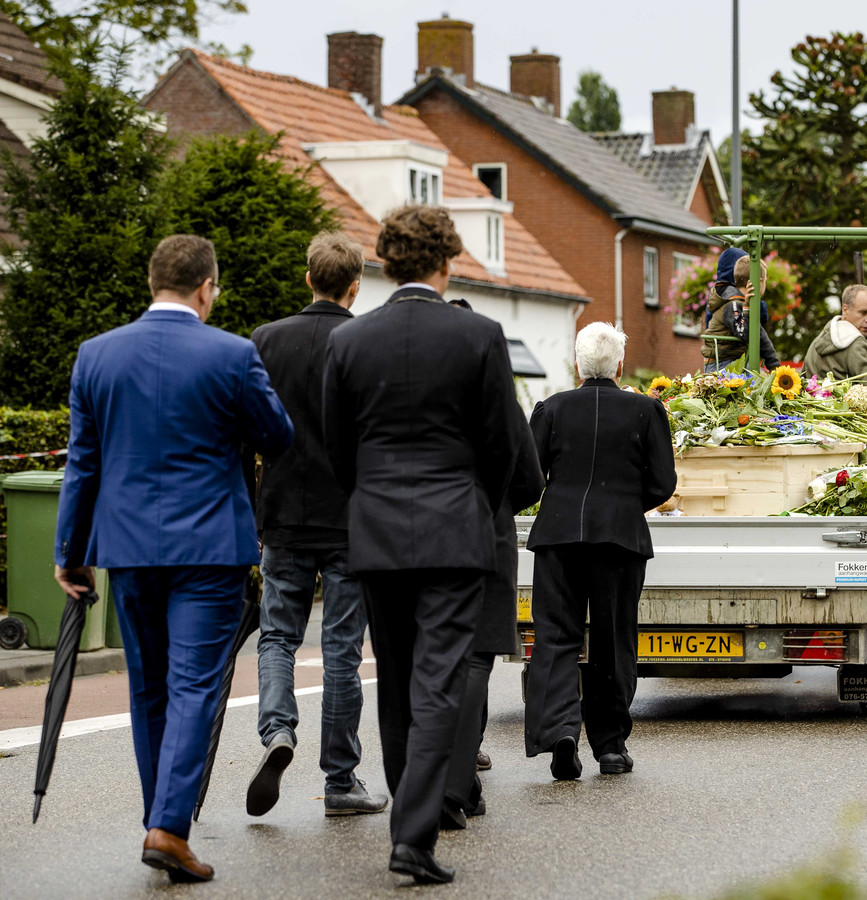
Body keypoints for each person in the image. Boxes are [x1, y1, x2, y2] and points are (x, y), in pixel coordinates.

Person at [53, 235, 293, 884]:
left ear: (152, 282)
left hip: (127, 548)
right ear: (206, 287)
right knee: (193, 686)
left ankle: (159, 820)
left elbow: (84, 465)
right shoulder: (232, 354)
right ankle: (169, 827)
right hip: (210, 548)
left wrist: (68, 555)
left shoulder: (96, 356)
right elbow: (277, 435)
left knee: (148, 687)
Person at [323, 204, 528, 885]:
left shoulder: (350, 342)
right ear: (447, 262)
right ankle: (413, 834)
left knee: (394, 681)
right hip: (454, 528)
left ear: (385, 261)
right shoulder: (479, 335)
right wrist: (475, 501)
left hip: (377, 530)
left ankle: (406, 820)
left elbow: (337, 447)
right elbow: (503, 443)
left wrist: (371, 497)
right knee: (438, 678)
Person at [244, 232, 388, 819]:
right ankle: (340, 780)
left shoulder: (265, 340)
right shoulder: (365, 343)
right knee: (341, 650)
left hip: (281, 513)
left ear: (307, 278)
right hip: (350, 519)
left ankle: (277, 731)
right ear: (355, 286)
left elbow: (248, 431)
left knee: (277, 635)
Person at [523, 322, 677, 781]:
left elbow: (532, 475)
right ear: (621, 366)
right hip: (619, 539)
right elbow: (663, 482)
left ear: (576, 365)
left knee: (555, 637)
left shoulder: (550, 409)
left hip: (558, 536)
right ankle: (609, 746)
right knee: (613, 640)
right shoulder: (645, 411)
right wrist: (626, 503)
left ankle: (560, 731)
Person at [442, 418, 543, 827]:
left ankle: (445, 785)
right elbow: (529, 478)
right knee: (475, 658)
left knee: (426, 660)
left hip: (412, 534)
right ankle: (453, 785)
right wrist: (494, 503)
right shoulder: (487, 375)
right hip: (485, 530)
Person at [701, 247, 780, 372]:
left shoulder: (739, 302)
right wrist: (747, 309)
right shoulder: (732, 304)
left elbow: (760, 335)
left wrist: (774, 366)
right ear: (758, 282)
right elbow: (745, 333)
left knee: (765, 377)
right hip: (720, 365)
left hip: (733, 361)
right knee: (761, 381)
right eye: (765, 281)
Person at [802, 284, 867, 391]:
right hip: (843, 407)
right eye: (863, 312)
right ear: (845, 310)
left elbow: (802, 380)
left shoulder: (821, 338)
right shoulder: (855, 343)